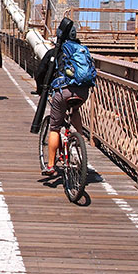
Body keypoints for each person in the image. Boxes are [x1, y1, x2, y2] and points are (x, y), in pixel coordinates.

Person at [34, 21, 93, 176]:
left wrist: (40, 89)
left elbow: (40, 72)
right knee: (74, 109)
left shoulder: (55, 52)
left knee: (55, 127)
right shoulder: (82, 51)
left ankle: (51, 165)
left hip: (63, 91)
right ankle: (79, 141)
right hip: (82, 92)